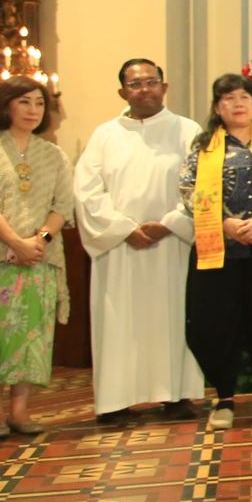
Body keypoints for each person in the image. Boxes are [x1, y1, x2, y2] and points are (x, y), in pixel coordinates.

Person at [73, 59, 204, 424]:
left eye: (151, 82)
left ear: (165, 86)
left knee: (173, 318)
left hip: (171, 245)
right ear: (122, 92)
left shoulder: (187, 130)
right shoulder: (105, 135)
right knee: (119, 322)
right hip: (119, 250)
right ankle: (116, 400)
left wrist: (171, 223)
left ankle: (175, 395)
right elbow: (87, 192)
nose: (144, 89)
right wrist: (124, 228)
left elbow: (201, 185)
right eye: (135, 84)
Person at [178, 74, 252, 429]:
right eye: (229, 98)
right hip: (219, 252)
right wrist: (223, 223)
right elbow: (188, 190)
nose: (238, 103)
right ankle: (225, 400)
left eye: (245, 96)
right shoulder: (204, 146)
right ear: (218, 107)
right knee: (216, 325)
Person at [0, 77, 75, 437]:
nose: (32, 110)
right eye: (24, 102)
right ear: (6, 105)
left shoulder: (53, 154)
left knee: (32, 337)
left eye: (39, 104)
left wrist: (38, 239)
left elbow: (63, 206)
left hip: (40, 258)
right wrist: (14, 241)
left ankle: (21, 411)